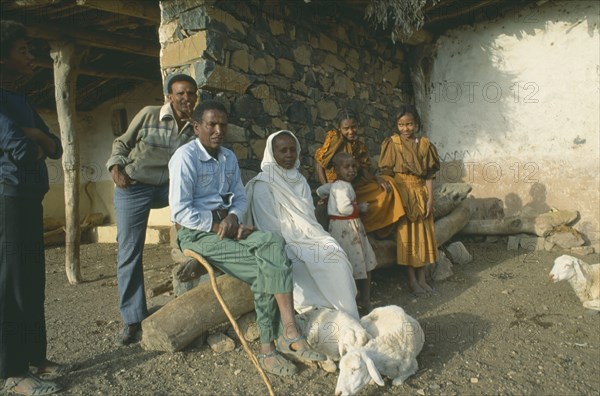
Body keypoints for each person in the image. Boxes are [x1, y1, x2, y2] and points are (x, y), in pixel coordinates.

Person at [169, 101, 326, 377]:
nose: (218, 130)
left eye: (223, 125)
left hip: (226, 225)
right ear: (196, 127)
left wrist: (232, 218)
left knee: (274, 242)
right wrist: (219, 224)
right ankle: (268, 349)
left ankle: (289, 331)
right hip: (196, 232)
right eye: (211, 125)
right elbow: (181, 212)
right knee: (262, 267)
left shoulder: (228, 157)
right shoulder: (184, 157)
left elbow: (239, 197)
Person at [1, 20, 73, 395]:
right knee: (12, 283)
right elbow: (20, 148)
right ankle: (12, 373)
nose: (32, 57)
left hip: (28, 197)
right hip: (8, 198)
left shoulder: (20, 100)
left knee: (33, 282)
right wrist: (36, 139)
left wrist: (38, 136)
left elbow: (56, 146)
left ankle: (35, 358)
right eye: (23, 51)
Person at [106, 73, 198, 345]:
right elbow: (121, 143)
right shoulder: (149, 115)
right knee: (129, 250)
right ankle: (133, 319)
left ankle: (190, 299)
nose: (185, 98)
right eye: (180, 93)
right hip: (134, 185)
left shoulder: (195, 127)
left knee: (196, 229)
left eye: (190, 93)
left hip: (169, 189)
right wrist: (116, 168)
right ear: (169, 97)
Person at [244, 130, 359, 320]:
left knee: (335, 256)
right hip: (280, 240)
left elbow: (308, 218)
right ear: (272, 153)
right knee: (298, 264)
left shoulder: (299, 180)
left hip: (309, 235)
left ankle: (346, 315)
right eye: (283, 151)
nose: (289, 155)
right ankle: (318, 314)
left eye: (293, 150)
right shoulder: (263, 184)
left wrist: (311, 237)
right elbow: (269, 226)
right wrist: (295, 241)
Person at [378, 104, 440, 296]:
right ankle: (412, 281)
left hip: (420, 194)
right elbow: (386, 173)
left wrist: (430, 199)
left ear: (416, 124)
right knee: (406, 238)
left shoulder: (425, 145)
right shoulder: (392, 144)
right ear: (397, 125)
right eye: (401, 125)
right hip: (401, 196)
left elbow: (429, 175)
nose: (406, 129)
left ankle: (422, 279)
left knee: (423, 237)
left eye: (410, 124)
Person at [314, 108, 404, 235]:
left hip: (354, 184)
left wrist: (377, 179)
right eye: (346, 128)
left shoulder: (359, 145)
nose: (351, 131)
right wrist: (327, 191)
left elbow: (364, 169)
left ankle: (377, 228)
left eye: (354, 127)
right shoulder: (335, 139)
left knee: (387, 187)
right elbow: (319, 164)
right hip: (337, 187)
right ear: (339, 128)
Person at [319, 152, 377, 313]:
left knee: (347, 263)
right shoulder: (343, 186)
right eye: (346, 167)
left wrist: (326, 196)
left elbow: (320, 190)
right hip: (348, 228)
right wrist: (360, 208)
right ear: (337, 169)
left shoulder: (336, 185)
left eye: (353, 167)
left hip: (338, 227)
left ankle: (352, 300)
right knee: (359, 262)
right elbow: (345, 208)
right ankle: (364, 299)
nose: (351, 170)